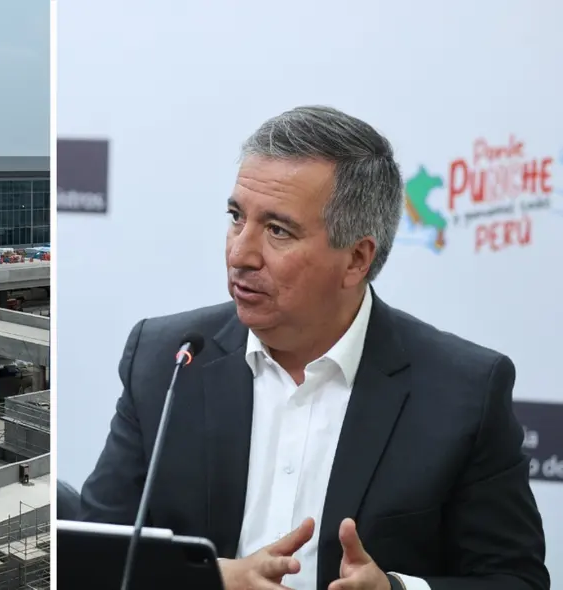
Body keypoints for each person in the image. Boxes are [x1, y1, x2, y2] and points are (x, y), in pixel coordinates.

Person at [79, 106, 549, 590]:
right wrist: (206, 581)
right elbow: (88, 561)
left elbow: (516, 581)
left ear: (357, 259)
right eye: (236, 217)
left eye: (278, 231)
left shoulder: (464, 391)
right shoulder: (167, 360)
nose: (240, 254)